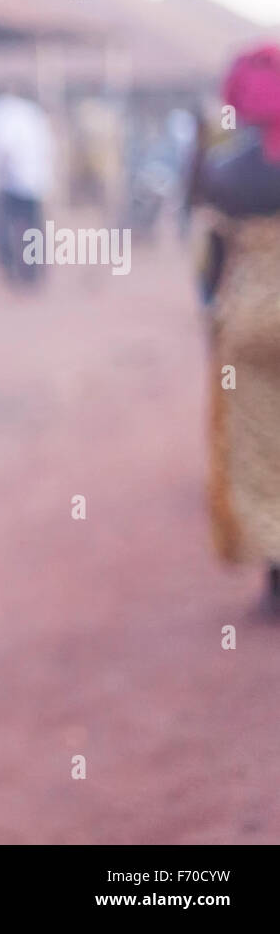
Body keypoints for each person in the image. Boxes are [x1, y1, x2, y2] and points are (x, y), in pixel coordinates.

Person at [191, 44, 280, 613]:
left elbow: (212, 268)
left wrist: (213, 330)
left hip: (249, 321)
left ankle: (276, 580)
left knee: (260, 449)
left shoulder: (223, 172)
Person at [0, 82, 54, 286]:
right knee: (33, 227)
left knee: (8, 226)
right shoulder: (32, 113)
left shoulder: (0, 114)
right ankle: (34, 270)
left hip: (12, 181)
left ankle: (14, 268)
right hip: (34, 179)